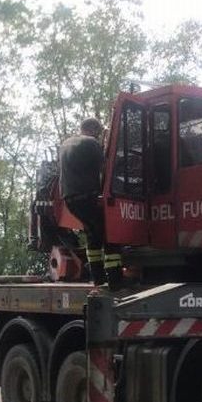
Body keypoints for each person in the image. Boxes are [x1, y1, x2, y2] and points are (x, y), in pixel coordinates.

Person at [59, 117, 123, 288]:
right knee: (110, 233)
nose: (99, 136)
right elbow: (107, 168)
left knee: (93, 233)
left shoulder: (66, 143)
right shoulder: (91, 143)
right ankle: (115, 280)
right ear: (94, 130)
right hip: (87, 196)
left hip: (70, 199)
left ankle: (98, 279)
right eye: (99, 132)